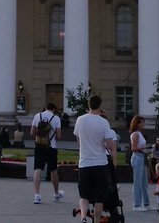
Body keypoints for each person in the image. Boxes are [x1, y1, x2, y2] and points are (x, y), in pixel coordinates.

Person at [73, 94, 115, 223]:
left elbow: (78, 140)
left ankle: (83, 218)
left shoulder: (80, 120)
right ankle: (96, 221)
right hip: (100, 163)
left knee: (84, 195)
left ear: (88, 105)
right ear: (100, 105)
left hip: (84, 162)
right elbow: (109, 144)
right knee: (99, 198)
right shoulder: (103, 122)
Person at [30, 102, 64, 203]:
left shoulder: (37, 116)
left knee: (38, 169)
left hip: (39, 146)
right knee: (53, 170)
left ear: (45, 108)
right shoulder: (56, 118)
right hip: (51, 147)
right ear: (53, 109)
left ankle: (37, 195)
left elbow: (32, 132)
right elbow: (59, 136)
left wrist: (40, 135)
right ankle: (56, 194)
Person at [128, 115, 150, 211]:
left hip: (141, 157)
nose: (143, 124)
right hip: (137, 158)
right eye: (142, 122)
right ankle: (136, 204)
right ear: (137, 124)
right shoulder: (136, 134)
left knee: (144, 182)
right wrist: (145, 148)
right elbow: (133, 148)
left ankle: (146, 203)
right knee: (138, 182)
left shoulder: (139, 133)